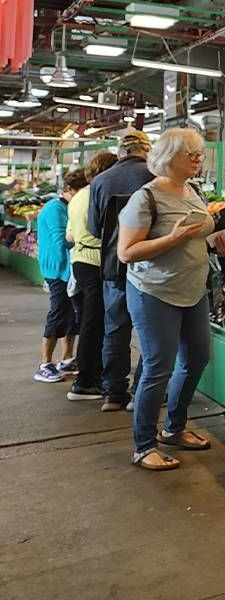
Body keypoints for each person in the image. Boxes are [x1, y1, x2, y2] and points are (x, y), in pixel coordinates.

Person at [116, 128, 225, 471]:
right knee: (158, 367)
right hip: (154, 292)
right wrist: (170, 239)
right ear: (170, 157)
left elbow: (201, 232)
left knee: (197, 358)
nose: (199, 160)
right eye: (192, 155)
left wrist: (218, 240)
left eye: (200, 154)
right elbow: (127, 252)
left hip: (193, 289)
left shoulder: (193, 190)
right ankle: (143, 445)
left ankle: (174, 428)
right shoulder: (146, 198)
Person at [88, 127, 153, 412]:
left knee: (115, 329)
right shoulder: (156, 178)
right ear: (146, 150)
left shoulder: (101, 181)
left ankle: (113, 393)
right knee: (150, 331)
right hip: (151, 265)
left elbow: (93, 228)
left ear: (120, 152)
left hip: (114, 266)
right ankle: (142, 391)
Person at [64, 150, 119, 400]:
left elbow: (70, 236)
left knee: (89, 319)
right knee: (94, 322)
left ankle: (90, 373)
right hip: (95, 261)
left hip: (80, 261)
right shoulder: (99, 194)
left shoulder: (78, 197)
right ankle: (85, 381)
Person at [33, 169, 88, 383]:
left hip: (70, 269)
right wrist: (86, 235)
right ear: (70, 190)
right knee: (57, 314)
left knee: (72, 315)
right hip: (58, 270)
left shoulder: (69, 206)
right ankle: (45, 364)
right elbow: (62, 241)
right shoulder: (55, 209)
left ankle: (66, 359)